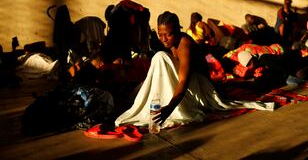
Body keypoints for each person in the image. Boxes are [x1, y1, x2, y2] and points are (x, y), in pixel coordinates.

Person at [115, 11, 274, 129]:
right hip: (188, 85)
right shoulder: (169, 44)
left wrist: (170, 108)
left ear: (178, 30)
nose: (163, 39)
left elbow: (184, 79)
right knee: (159, 57)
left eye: (168, 35)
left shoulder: (185, 44)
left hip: (199, 88)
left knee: (160, 57)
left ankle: (170, 106)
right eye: (160, 34)